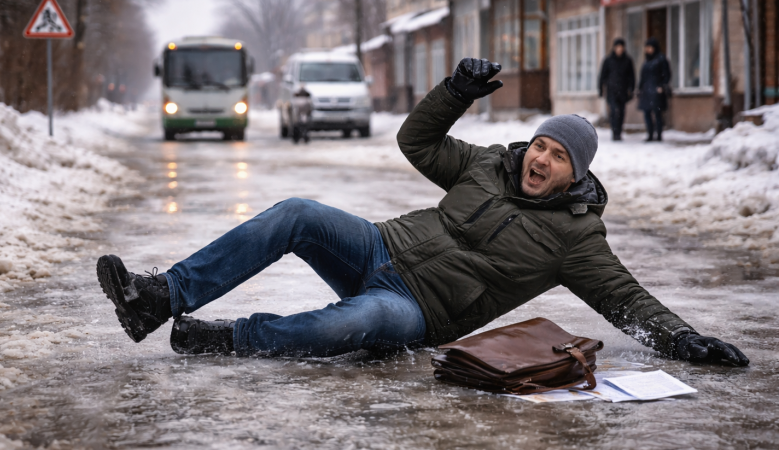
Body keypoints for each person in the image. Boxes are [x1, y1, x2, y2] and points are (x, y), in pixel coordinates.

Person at [96, 58, 748, 367]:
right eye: (540, 146)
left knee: (365, 320)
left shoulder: (577, 238)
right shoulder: (489, 164)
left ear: (576, 174)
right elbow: (417, 142)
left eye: (558, 157)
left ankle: (228, 337)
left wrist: (681, 339)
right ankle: (160, 297)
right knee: (297, 211)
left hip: (419, 309)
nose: (541, 159)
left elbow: (626, 299)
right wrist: (454, 94)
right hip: (378, 246)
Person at [598, 38, 635, 141]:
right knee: (614, 111)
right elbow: (602, 76)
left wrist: (631, 89)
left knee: (621, 112)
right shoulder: (608, 60)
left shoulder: (627, 60)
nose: (619, 49)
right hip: (611, 91)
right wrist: (600, 89)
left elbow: (631, 76)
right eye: (617, 47)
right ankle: (614, 132)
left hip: (623, 91)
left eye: (621, 47)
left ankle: (619, 132)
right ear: (614, 48)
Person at [637, 37, 671, 142]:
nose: (648, 49)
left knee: (657, 114)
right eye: (646, 47)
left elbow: (666, 74)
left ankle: (659, 135)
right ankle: (650, 134)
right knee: (647, 113)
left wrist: (662, 86)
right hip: (646, 91)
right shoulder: (646, 61)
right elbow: (642, 77)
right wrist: (639, 88)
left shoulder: (661, 59)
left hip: (656, 91)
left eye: (650, 47)